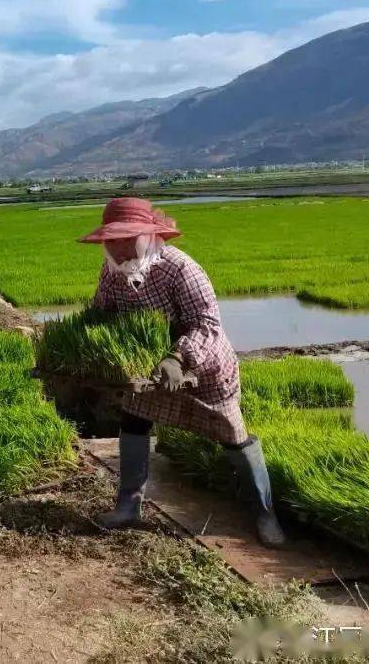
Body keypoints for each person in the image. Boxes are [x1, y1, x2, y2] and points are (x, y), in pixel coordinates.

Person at [81, 197, 285, 548]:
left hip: (203, 367)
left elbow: (207, 325)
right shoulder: (112, 271)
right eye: (111, 240)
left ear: (148, 236)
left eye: (126, 238)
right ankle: (128, 508)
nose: (118, 248)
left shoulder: (180, 269)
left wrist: (177, 358)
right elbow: (102, 316)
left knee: (230, 433)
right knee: (134, 420)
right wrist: (78, 348)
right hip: (150, 369)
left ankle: (265, 513)